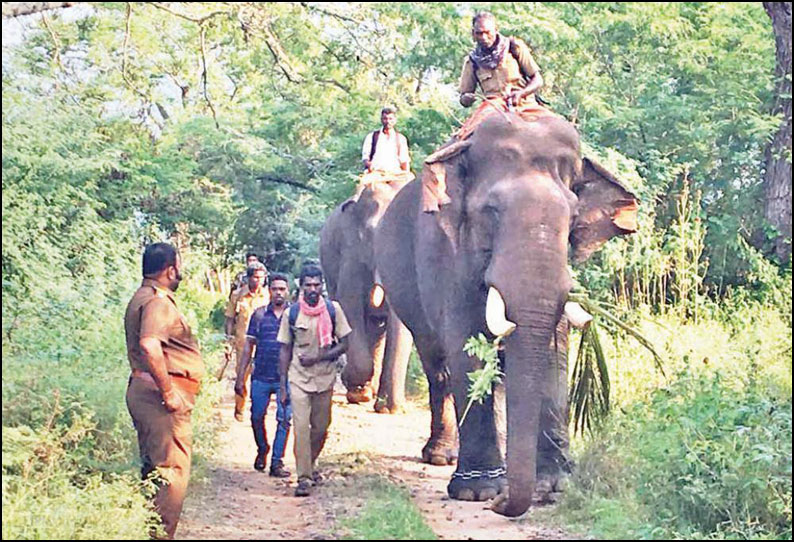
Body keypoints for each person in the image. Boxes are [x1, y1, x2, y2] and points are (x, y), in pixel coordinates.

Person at [421, 12, 555, 212]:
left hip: (524, 101)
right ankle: (439, 192)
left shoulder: (514, 48)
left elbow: (537, 79)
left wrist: (522, 93)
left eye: (487, 32)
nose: (484, 37)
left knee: (560, 132)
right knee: (458, 141)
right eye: (479, 33)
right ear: (473, 34)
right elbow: (465, 95)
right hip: (492, 105)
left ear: (495, 30)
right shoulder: (473, 61)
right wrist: (466, 98)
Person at [124, 242, 203, 539]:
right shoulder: (157, 302)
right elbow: (149, 344)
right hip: (159, 399)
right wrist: (169, 392)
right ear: (170, 269)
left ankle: (154, 532)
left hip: (148, 394)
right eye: (178, 266)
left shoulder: (144, 296)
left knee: (156, 473)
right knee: (171, 474)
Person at [277, 264, 351, 497]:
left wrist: (319, 356)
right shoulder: (292, 313)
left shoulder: (333, 310)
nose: (312, 289)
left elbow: (345, 343)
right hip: (298, 377)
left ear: (322, 286)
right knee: (300, 427)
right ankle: (304, 477)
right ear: (301, 286)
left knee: (320, 428)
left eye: (316, 285)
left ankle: (310, 461)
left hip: (325, 378)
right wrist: (283, 386)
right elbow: (284, 349)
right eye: (308, 285)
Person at [235, 273, 293, 478]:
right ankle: (263, 448)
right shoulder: (259, 315)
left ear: (288, 292)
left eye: (282, 289)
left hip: (285, 378)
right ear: (269, 291)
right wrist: (240, 377)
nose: (278, 292)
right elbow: (248, 348)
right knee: (256, 416)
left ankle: (277, 462)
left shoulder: (293, 316)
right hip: (260, 375)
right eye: (275, 289)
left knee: (284, 419)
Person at [226, 262, 269, 421]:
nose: (258, 281)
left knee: (260, 378)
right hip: (242, 343)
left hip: (263, 343)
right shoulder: (237, 295)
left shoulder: (268, 296)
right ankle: (240, 408)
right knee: (242, 376)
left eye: (261, 278)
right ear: (249, 278)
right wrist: (229, 339)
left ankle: (258, 410)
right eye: (255, 277)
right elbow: (230, 318)